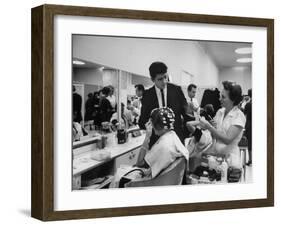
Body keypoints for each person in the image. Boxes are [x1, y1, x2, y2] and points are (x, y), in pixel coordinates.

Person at [110, 107, 189, 188]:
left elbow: (139, 163)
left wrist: (147, 136)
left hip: (154, 184)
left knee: (118, 176)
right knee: (123, 171)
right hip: (168, 181)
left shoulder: (163, 145)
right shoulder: (172, 136)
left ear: (155, 125)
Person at [138, 61, 191, 148]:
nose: (164, 81)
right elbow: (143, 121)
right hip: (157, 143)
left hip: (177, 140)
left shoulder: (176, 90)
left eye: (165, 77)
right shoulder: (147, 95)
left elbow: (186, 114)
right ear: (152, 79)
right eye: (160, 79)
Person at [199, 81, 246, 168]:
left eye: (223, 97)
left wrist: (209, 127)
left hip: (231, 161)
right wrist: (209, 126)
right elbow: (215, 134)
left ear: (233, 100)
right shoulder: (220, 112)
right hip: (217, 157)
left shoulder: (239, 116)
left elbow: (227, 139)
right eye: (220, 95)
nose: (219, 99)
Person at [244, 89, 252, 166]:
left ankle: (250, 160)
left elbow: (245, 115)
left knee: (250, 143)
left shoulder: (248, 104)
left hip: (250, 124)